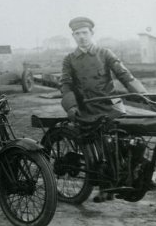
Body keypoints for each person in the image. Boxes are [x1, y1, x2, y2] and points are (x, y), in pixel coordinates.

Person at [60, 16, 148, 202]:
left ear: (91, 33)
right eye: (77, 34)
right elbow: (66, 85)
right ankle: (105, 184)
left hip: (111, 106)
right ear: (73, 36)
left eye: (84, 33)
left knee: (128, 141)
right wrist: (71, 106)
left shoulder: (105, 53)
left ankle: (132, 174)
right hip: (88, 109)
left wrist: (144, 95)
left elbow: (125, 76)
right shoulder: (69, 60)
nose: (81, 37)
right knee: (103, 147)